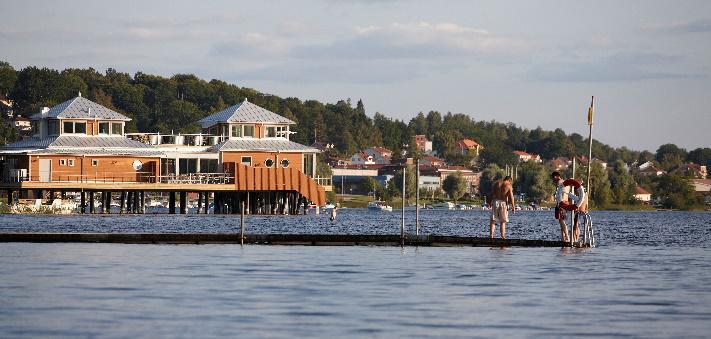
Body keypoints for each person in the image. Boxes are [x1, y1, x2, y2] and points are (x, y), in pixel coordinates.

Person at [551, 171, 587, 243]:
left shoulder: (560, 183)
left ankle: (566, 237)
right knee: (562, 221)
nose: (553, 181)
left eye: (553, 179)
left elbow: (560, 194)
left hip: (561, 203)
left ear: (555, 177)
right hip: (566, 202)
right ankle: (563, 238)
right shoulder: (566, 182)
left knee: (561, 221)